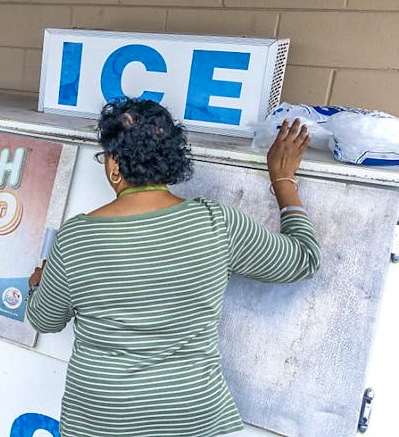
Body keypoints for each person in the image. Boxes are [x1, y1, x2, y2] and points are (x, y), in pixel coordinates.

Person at [25, 97, 321, 437]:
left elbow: (44, 320)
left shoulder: (77, 238)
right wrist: (283, 180)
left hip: (103, 419)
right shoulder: (216, 223)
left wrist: (38, 284)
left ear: (114, 166)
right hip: (191, 417)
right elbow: (304, 259)